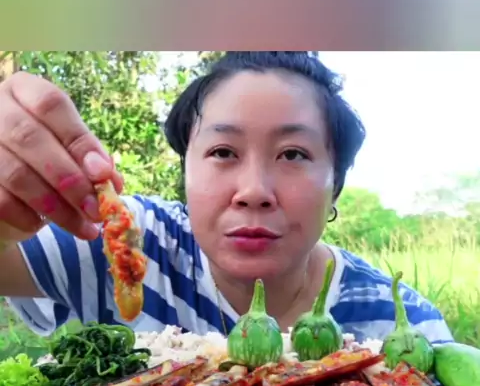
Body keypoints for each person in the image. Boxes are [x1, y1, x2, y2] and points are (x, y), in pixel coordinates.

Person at [0, 51, 452, 345]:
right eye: (222, 152)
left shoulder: (404, 329)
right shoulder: (128, 241)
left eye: (293, 154)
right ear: (185, 170)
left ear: (336, 183)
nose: (253, 191)